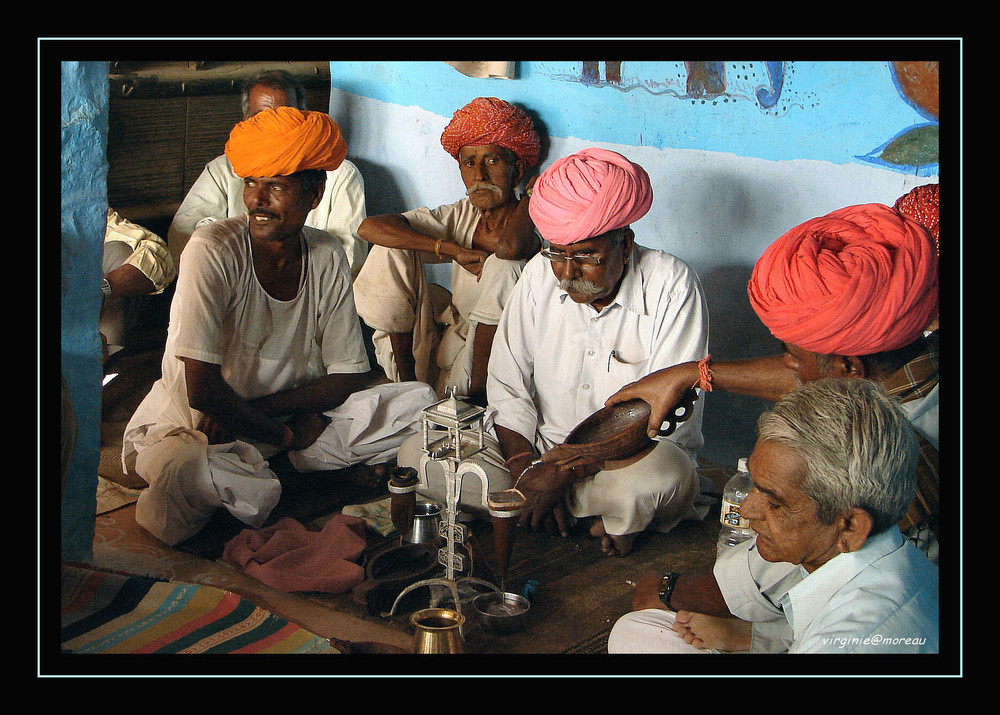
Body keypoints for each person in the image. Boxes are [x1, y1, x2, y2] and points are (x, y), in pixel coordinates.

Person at [122, 106, 436, 546]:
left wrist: (275, 421)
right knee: (183, 482)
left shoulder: (326, 254)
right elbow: (203, 394)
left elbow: (347, 374)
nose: (256, 200)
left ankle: (284, 476)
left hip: (279, 421)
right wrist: (286, 434)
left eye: (276, 186)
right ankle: (298, 478)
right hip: (204, 430)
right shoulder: (212, 249)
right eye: (251, 184)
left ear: (315, 194)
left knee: (419, 402)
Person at [399, 147, 711, 556]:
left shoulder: (672, 285)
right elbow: (508, 385)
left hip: (622, 458)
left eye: (586, 256)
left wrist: (563, 473)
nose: (567, 273)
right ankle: (588, 518)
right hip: (535, 456)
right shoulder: (537, 276)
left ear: (626, 243)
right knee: (417, 453)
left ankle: (529, 509)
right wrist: (526, 468)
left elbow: (659, 412)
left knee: (663, 477)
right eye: (557, 254)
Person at [607, 201, 940, 560]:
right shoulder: (911, 357)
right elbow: (832, 380)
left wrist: (669, 591)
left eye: (793, 357)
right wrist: (692, 374)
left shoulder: (892, 455)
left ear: (848, 369)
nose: (786, 364)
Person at [608, 378, 939, 654]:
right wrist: (760, 638)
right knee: (636, 632)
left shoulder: (846, 644)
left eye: (776, 502)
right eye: (755, 485)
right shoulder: (891, 555)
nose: (747, 509)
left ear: (850, 527)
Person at [353, 96, 541, 404]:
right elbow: (369, 228)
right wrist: (449, 249)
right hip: (448, 341)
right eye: (469, 163)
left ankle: (476, 402)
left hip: (498, 358)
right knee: (391, 248)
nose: (479, 175)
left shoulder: (532, 221)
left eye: (492, 161)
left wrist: (531, 197)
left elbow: (509, 248)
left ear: (517, 171)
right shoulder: (461, 214)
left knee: (504, 267)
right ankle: (406, 382)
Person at [166, 69, 368, 278]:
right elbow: (185, 235)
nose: (272, 126)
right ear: (246, 120)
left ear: (302, 115)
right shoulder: (224, 169)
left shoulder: (340, 174)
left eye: (283, 116)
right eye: (261, 117)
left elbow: (348, 256)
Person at [101, 208, 176, 359]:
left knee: (121, 250)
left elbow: (159, 255)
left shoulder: (75, 206)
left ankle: (105, 360)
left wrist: (102, 289)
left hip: (91, 324)